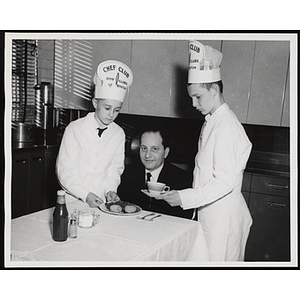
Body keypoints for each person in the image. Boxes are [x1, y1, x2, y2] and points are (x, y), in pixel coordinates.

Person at [157, 41, 253, 261]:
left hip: (223, 222)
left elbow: (224, 182)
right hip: (212, 217)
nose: (193, 103)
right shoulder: (212, 121)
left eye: (197, 96)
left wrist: (184, 197)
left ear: (215, 90)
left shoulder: (226, 125)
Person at [56, 60, 133, 208]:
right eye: (107, 108)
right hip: (74, 200)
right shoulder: (74, 129)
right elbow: (65, 172)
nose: (111, 115)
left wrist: (111, 190)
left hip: (102, 202)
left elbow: (114, 169)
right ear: (95, 103)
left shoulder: (119, 134)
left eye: (117, 110)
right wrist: (85, 195)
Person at [117, 126, 194, 219]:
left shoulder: (182, 179)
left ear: (166, 152)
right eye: (144, 148)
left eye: (154, 149)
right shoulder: (127, 174)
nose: (147, 155)